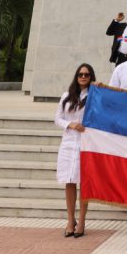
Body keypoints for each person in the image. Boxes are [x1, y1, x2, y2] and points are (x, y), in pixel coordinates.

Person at [56, 63, 93, 238]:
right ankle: (71, 220)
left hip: (86, 144)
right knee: (69, 181)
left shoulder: (94, 96)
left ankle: (82, 220)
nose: (83, 77)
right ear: (76, 77)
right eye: (80, 74)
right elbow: (58, 119)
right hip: (69, 142)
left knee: (83, 182)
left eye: (86, 74)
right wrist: (70, 124)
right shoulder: (66, 96)